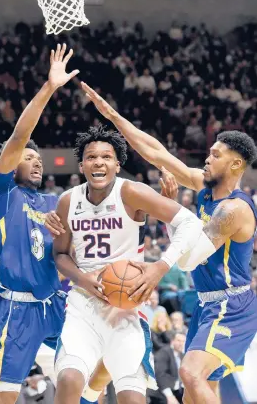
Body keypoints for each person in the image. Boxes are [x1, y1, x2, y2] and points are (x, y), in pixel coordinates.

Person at [81, 82, 257, 404]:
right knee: (195, 389)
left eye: (215, 155)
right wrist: (113, 117)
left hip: (231, 306)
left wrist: (171, 216)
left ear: (235, 165)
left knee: (190, 374)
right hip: (207, 303)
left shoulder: (233, 210)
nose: (207, 158)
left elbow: (187, 260)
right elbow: (156, 152)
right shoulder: (204, 187)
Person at [52, 125, 207, 404]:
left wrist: (160, 267)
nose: (98, 162)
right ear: (82, 164)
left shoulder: (132, 192)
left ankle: (92, 394)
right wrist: (83, 278)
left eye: (106, 157)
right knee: (68, 380)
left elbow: (190, 222)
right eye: (91, 157)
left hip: (128, 306)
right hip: (83, 305)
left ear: (117, 164)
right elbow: (61, 254)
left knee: (132, 399)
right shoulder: (67, 201)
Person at [0, 44, 79, 404]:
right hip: (18, 307)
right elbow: (18, 137)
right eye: (29, 157)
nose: (37, 163)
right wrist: (49, 88)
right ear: (10, 162)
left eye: (40, 159)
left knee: (82, 380)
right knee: (7, 394)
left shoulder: (57, 202)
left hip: (57, 302)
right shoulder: (1, 195)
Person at [153, 331, 186, 404]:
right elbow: (160, 375)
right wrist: (169, 396)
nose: (181, 344)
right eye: (178, 341)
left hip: (178, 389)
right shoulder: (164, 352)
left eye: (183, 341)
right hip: (162, 391)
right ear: (172, 341)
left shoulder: (181, 355)